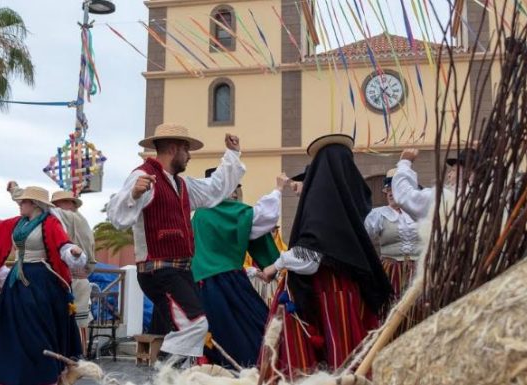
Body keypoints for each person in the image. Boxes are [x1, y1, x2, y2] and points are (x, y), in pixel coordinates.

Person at [107, 123, 245, 365]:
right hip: (158, 271)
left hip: (180, 272)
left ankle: (168, 372)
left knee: (188, 327)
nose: (190, 155)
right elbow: (117, 217)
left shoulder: (181, 184)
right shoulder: (142, 176)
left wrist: (232, 154)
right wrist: (133, 195)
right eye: (186, 149)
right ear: (173, 148)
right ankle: (163, 373)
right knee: (195, 324)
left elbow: (214, 190)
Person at [259, 134, 392, 377]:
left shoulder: (322, 201)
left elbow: (310, 255)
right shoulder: (351, 199)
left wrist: (275, 265)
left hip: (327, 290)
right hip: (348, 289)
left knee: (335, 350)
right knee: (347, 350)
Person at [0, 186, 86, 385]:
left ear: (35, 204)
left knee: (37, 329)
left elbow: (63, 244)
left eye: (23, 202)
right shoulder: (17, 223)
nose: (20, 204)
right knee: (13, 329)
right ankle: (15, 375)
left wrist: (74, 252)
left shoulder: (49, 223)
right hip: (17, 281)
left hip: (40, 280)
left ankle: (45, 374)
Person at [191, 170, 285, 368]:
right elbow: (260, 218)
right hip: (227, 282)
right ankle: (257, 370)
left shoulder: (199, 214)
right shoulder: (227, 211)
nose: (235, 194)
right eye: (232, 188)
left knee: (216, 336)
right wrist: (277, 190)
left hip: (201, 285)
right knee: (253, 329)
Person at [364, 169, 423, 304]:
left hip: (419, 269)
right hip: (392, 270)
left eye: (394, 189)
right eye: (388, 190)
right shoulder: (378, 214)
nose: (390, 193)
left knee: (418, 305)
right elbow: (364, 237)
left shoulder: (419, 212)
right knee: (393, 304)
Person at [47, 189, 97, 346]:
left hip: (72, 278)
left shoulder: (67, 217)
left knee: (77, 322)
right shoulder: (78, 220)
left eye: (58, 203)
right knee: (75, 322)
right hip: (73, 278)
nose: (56, 207)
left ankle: (77, 359)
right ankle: (75, 359)